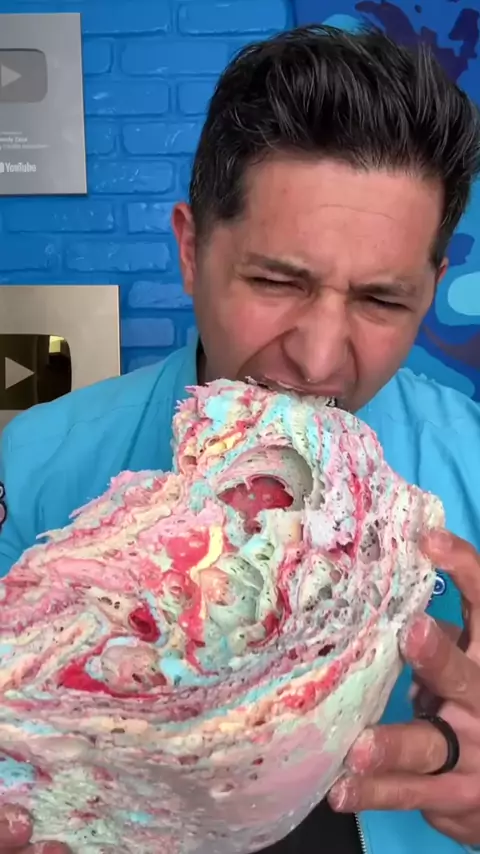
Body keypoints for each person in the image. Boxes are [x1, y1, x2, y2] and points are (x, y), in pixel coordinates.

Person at [0, 23, 479, 854]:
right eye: (275, 281)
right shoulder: (40, 460)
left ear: (432, 289)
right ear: (191, 250)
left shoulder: (471, 464)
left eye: (381, 300)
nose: (319, 360)